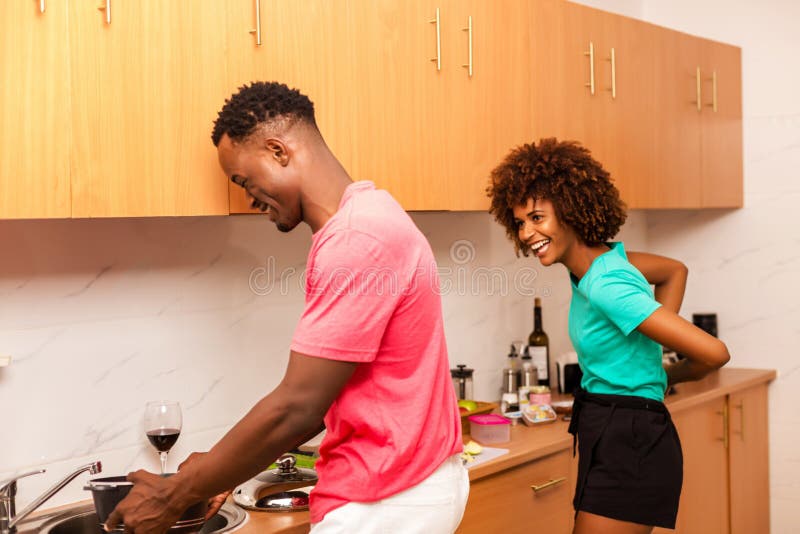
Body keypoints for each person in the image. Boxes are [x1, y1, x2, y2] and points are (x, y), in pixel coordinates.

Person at [106, 82, 468, 533]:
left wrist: (177, 494)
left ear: (278, 150)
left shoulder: (357, 240)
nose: (248, 197)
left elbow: (298, 405)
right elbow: (321, 398)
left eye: (243, 180)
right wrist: (220, 469)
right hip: (407, 487)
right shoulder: (370, 216)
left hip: (385, 499)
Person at [486, 138, 730, 534]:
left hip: (630, 439)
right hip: (610, 426)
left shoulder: (607, 285)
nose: (527, 233)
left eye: (536, 217)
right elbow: (674, 270)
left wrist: (667, 374)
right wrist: (644, 349)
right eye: (520, 223)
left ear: (569, 210)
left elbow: (715, 354)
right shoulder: (602, 265)